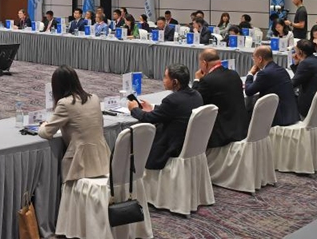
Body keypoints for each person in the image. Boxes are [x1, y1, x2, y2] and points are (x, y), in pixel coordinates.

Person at [38, 65, 110, 223]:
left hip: (80, 162)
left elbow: (46, 132)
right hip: (102, 158)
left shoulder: (65, 103)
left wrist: (43, 124)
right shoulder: (94, 98)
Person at [127, 64, 203, 170]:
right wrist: (153, 107)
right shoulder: (196, 95)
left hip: (169, 147)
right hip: (187, 143)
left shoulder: (172, 100)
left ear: (175, 82)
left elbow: (148, 118)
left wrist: (134, 109)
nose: (163, 80)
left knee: (131, 141)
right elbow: (177, 111)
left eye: (165, 77)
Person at [192, 49, 248, 148]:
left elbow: (195, 100)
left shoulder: (207, 80)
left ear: (204, 63)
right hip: (241, 128)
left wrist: (197, 80)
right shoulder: (234, 74)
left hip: (222, 134)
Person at [244, 47, 299, 126]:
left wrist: (250, 74)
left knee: (249, 114)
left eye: (254, 58)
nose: (254, 61)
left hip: (279, 118)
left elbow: (248, 91)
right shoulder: (281, 69)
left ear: (260, 59)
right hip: (291, 114)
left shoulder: (264, 73)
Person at [290, 39, 317, 117]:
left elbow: (293, 83)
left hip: (308, 105)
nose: (295, 53)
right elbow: (301, 77)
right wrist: (296, 63)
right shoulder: (316, 60)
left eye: (295, 51)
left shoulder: (306, 63)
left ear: (300, 52)